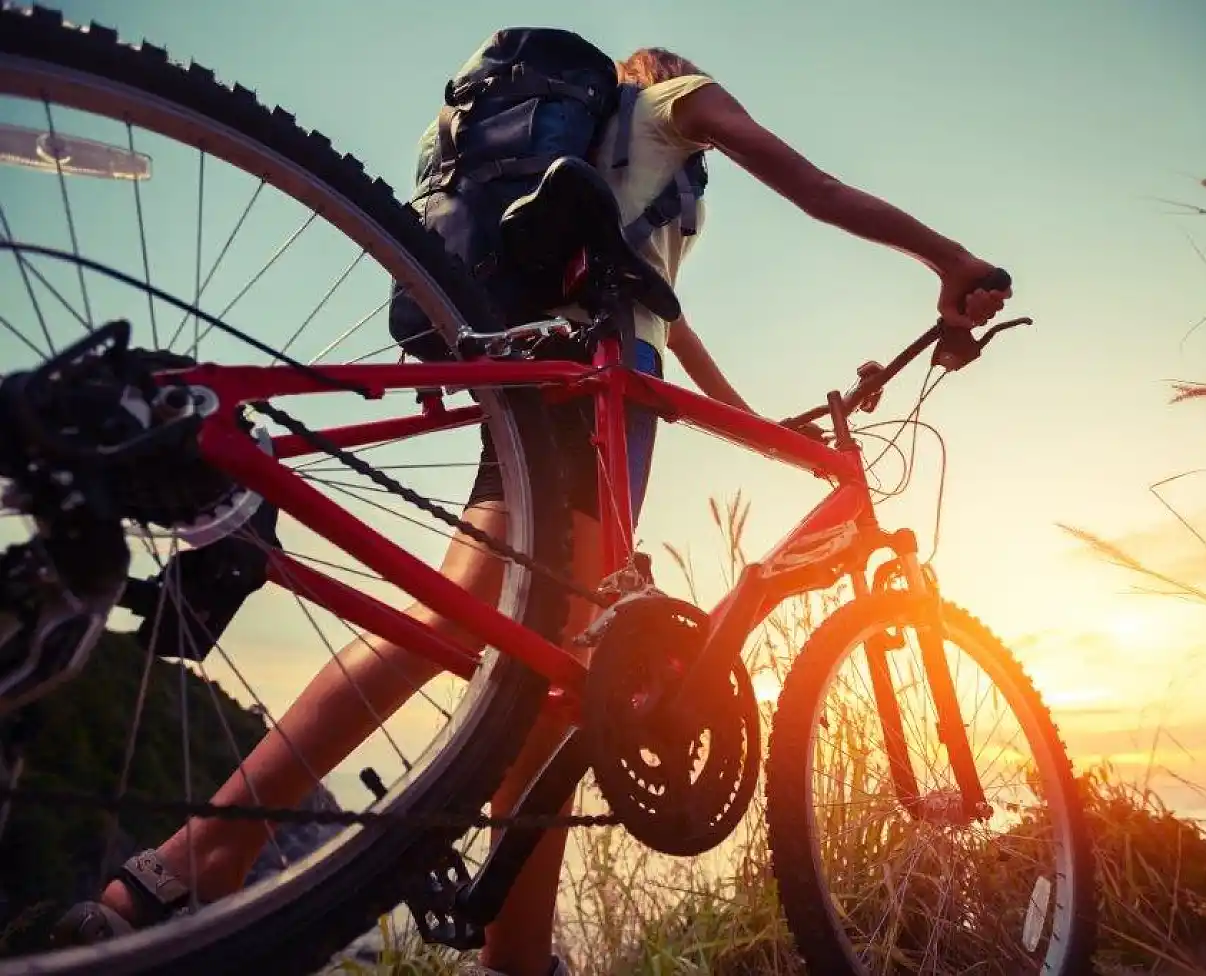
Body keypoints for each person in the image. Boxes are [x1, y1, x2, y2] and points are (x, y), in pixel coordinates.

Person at [55, 46, 1009, 976]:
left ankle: (209, 874)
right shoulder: (673, 100)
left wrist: (750, 422)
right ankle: (218, 868)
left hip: (550, 366)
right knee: (542, 667)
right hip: (600, 387)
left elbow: (659, 314)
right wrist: (946, 256)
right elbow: (815, 186)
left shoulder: (602, 168)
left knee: (507, 648)